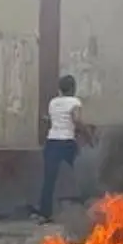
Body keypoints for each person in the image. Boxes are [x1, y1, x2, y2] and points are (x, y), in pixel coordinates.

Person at [34, 74, 91, 223]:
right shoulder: (75, 102)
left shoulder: (53, 103)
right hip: (67, 142)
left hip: (52, 142)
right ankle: (89, 208)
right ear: (73, 88)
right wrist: (88, 135)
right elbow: (76, 120)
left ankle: (44, 213)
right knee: (82, 173)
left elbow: (54, 120)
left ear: (60, 89)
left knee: (49, 179)